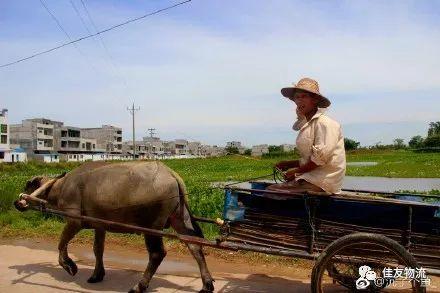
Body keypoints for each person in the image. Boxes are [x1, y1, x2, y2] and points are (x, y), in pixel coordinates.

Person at [267, 77, 346, 194]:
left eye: (304, 96)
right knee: (272, 189)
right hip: (311, 177)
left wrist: (296, 172)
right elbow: (310, 159)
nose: (299, 101)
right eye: (297, 97)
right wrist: (288, 164)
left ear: (314, 100)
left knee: (271, 190)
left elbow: (320, 159)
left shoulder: (325, 123)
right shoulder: (309, 125)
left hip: (322, 182)